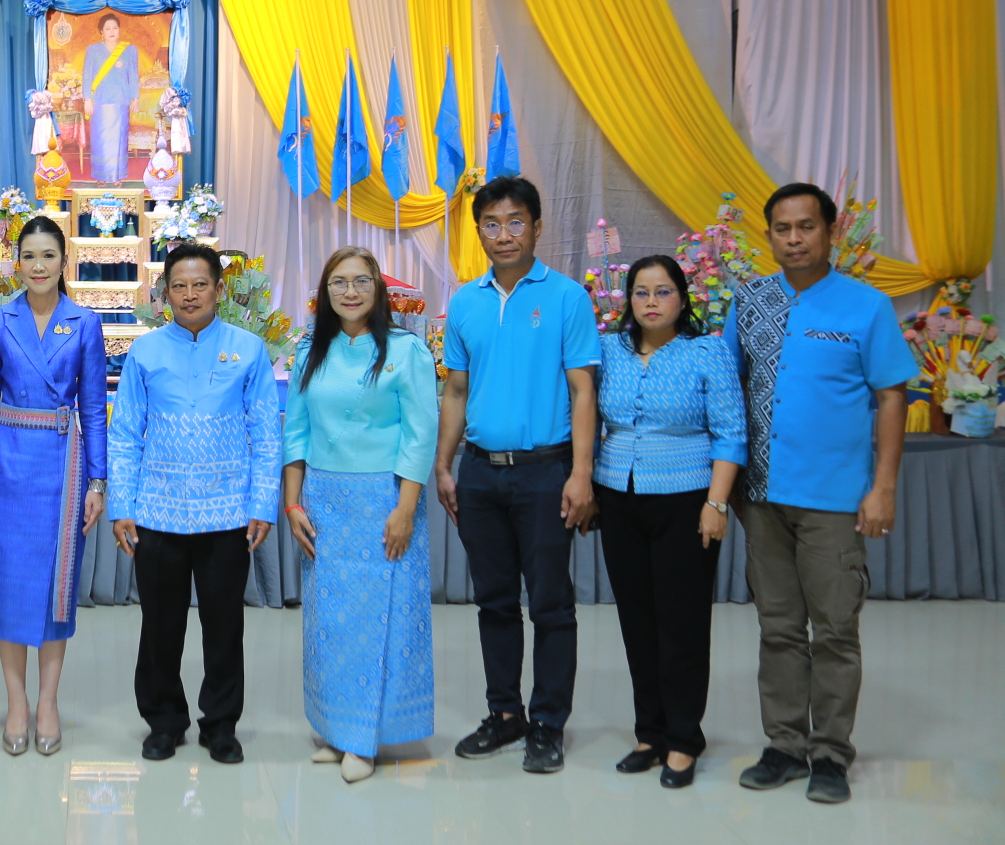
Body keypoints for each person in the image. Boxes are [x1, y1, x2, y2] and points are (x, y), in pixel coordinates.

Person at [724, 183, 913, 805]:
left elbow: (892, 397)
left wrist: (882, 488)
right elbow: (729, 392)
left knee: (833, 628)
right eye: (782, 228)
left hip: (835, 499)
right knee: (778, 626)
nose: (795, 238)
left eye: (807, 226)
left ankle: (830, 753)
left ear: (830, 232)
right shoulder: (749, 301)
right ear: (769, 235)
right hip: (762, 496)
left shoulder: (866, 308)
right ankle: (783, 744)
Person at [434, 175, 600, 775]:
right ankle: (505, 716)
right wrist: (444, 465)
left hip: (546, 474)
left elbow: (584, 392)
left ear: (536, 226)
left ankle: (548, 723)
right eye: (491, 224)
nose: (503, 235)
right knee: (495, 604)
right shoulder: (466, 302)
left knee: (551, 605)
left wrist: (581, 474)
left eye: (515, 222)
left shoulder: (566, 298)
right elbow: (456, 389)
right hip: (479, 475)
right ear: (477, 230)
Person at [110, 241, 281, 766]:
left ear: (219, 289)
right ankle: (164, 722)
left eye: (199, 284)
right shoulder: (145, 351)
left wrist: (262, 504)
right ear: (165, 293)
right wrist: (122, 505)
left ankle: (221, 725)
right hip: (157, 511)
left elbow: (267, 433)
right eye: (179, 286)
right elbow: (125, 433)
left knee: (224, 625)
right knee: (160, 626)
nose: (189, 295)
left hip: (227, 512)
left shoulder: (248, 349)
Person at [283, 246, 437, 784]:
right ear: (325, 294)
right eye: (338, 283)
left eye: (361, 282)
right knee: (329, 621)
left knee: (378, 620)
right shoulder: (311, 353)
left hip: (385, 501)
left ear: (378, 290)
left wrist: (406, 508)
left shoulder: (405, 351)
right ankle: (335, 727)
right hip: (325, 501)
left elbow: (421, 434)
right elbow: (296, 432)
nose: (350, 292)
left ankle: (366, 739)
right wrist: (293, 501)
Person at [593, 254, 746, 789]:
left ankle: (683, 738)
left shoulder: (707, 353)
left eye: (662, 292)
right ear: (628, 300)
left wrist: (717, 502)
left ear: (683, 299)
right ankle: (648, 733)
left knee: (680, 623)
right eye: (640, 292)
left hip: (687, 499)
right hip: (619, 496)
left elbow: (731, 432)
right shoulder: (608, 350)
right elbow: (588, 416)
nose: (651, 302)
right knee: (637, 621)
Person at [0, 215, 108, 756]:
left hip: (63, 468)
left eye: (49, 255)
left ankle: (48, 701)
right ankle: (16, 701)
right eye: (30, 256)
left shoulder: (84, 323)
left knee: (55, 585)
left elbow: (93, 408)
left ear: (63, 261)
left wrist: (98, 480)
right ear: (16, 262)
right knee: (8, 582)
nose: (39, 266)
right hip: (6, 464)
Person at [81, 12, 139, 183]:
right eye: (107, 29)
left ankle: (117, 177)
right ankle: (101, 176)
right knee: (100, 142)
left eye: (115, 28)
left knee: (119, 141)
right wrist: (87, 99)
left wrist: (135, 98)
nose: (112, 31)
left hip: (121, 101)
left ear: (119, 30)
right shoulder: (93, 50)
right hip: (99, 102)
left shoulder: (129, 50)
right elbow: (87, 76)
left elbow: (133, 75)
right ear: (102, 32)